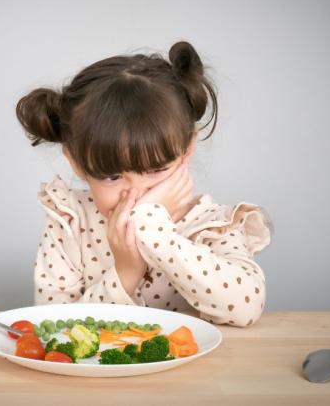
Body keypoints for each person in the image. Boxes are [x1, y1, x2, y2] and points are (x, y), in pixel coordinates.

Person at [15, 41, 274, 327]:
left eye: (156, 170)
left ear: (187, 149)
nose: (137, 195)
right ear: (77, 163)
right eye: (112, 177)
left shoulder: (211, 225)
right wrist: (126, 272)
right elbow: (57, 328)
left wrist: (156, 233)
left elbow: (244, 308)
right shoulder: (70, 223)